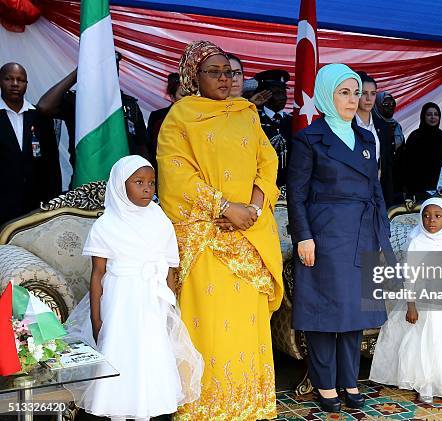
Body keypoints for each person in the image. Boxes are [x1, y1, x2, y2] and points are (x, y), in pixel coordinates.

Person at [156, 41, 284, 420]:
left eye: (229, 71)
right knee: (210, 327)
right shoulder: (180, 117)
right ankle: (206, 409)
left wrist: (254, 209)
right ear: (193, 75)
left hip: (250, 234)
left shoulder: (247, 113)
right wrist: (225, 207)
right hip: (207, 241)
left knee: (248, 326)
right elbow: (176, 175)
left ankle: (252, 406)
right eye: (215, 71)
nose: (225, 79)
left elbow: (267, 162)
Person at [287, 63, 394, 413]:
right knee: (324, 312)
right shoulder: (308, 138)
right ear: (326, 96)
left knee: (354, 312)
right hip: (325, 234)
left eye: (357, 92)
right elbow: (297, 194)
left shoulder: (366, 137)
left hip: (362, 233)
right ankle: (325, 383)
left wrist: (382, 235)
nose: (354, 99)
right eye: (344, 92)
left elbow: (375, 190)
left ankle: (350, 380)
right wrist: (303, 236)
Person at [65, 155, 202, 419]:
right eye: (138, 182)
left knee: (151, 351)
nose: (147, 189)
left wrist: (169, 308)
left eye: (151, 182)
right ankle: (116, 404)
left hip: (152, 300)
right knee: (120, 350)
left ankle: (150, 405)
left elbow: (169, 269)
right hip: (119, 301)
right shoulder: (106, 225)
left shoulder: (160, 220)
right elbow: (98, 274)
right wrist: (96, 318)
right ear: (119, 185)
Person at [369, 198, 442, 403]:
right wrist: (411, 306)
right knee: (426, 341)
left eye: (437, 216)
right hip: (423, 302)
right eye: (426, 216)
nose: (431, 221)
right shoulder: (416, 242)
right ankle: (426, 385)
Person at [37, 52, 149, 176]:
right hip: (87, 180)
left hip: (123, 182)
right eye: (103, 68)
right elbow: (44, 107)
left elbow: (142, 145)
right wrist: (78, 72)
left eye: (113, 68)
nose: (108, 73)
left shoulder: (129, 104)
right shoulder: (77, 101)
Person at [0, 62, 61, 226]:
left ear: (26, 84)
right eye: (8, 79)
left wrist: (53, 202)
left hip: (35, 206)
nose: (14, 84)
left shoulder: (39, 117)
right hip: (3, 205)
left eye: (20, 80)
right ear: (0, 81)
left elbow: (52, 164)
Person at [354, 72, 396, 207]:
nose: (368, 98)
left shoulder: (383, 127)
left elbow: (387, 166)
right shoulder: (346, 126)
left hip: (378, 193)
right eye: (364, 93)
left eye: (373, 93)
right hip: (353, 193)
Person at [395, 102, 442, 200]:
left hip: (440, 187)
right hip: (417, 188)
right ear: (423, 116)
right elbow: (406, 164)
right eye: (429, 114)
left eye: (436, 114)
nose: (433, 117)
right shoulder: (415, 136)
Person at [254, 69, 293, 187]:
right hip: (261, 184)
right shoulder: (254, 120)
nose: (282, 97)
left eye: (283, 92)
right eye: (276, 93)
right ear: (264, 94)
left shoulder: (293, 121)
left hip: (288, 186)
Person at [147, 73, 185, 172]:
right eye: (183, 95)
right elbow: (150, 149)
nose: (187, 99)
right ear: (172, 97)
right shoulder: (158, 117)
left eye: (190, 95)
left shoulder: (200, 116)